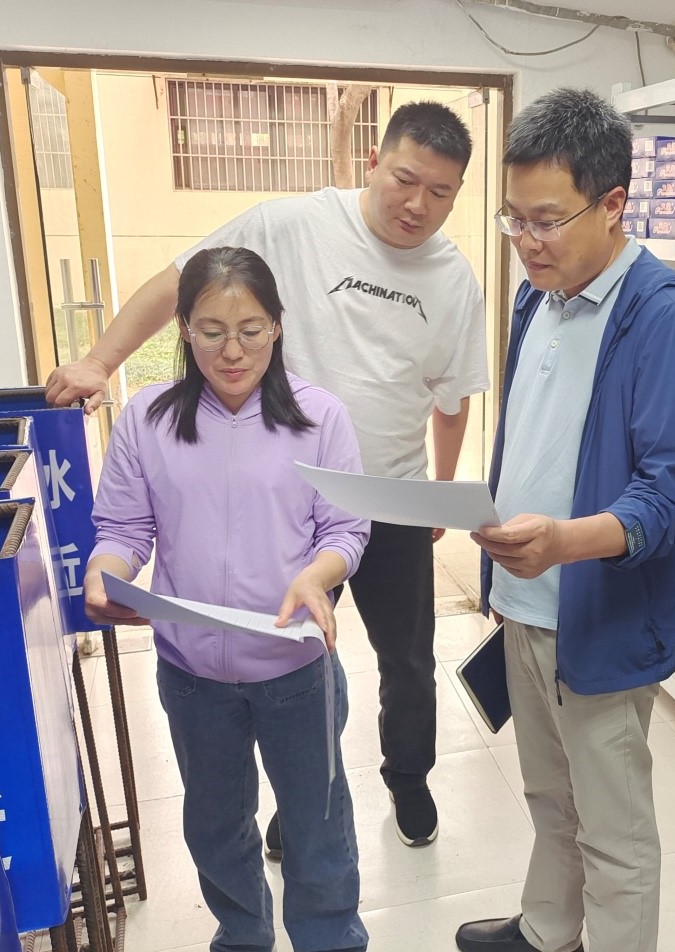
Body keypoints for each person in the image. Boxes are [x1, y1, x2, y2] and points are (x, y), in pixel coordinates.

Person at [49, 101, 488, 848]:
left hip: (392, 495)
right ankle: (301, 792)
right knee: (296, 652)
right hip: (295, 498)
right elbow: (179, 284)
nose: (418, 204)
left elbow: (452, 399)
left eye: (441, 192)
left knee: (409, 660)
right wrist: (99, 361)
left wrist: (439, 495)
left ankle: (408, 779)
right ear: (374, 162)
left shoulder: (453, 278)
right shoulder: (290, 224)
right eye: (405, 179)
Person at [458, 88, 675, 952]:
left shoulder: (665, 315)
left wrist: (563, 543)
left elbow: (667, 498)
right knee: (549, 795)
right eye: (514, 219)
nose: (527, 241)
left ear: (613, 204)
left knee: (614, 827)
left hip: (599, 610)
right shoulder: (540, 295)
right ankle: (547, 929)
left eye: (547, 220)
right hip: (527, 600)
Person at [84, 247, 370, 952]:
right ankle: (242, 936)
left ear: (278, 326)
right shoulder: (148, 418)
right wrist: (105, 572)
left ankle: (330, 940)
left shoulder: (320, 416)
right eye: (212, 331)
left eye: (251, 330)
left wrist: (318, 576)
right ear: (184, 329)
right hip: (192, 675)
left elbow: (345, 529)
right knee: (215, 825)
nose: (233, 351)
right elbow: (123, 527)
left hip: (295, 667)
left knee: (317, 827)